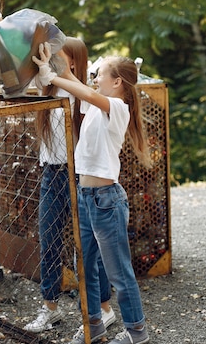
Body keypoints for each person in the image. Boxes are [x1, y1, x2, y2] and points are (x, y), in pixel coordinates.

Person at [33, 44, 152, 344]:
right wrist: (52, 65)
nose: (95, 78)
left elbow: (84, 92)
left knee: (118, 272)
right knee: (84, 267)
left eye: (100, 75)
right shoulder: (97, 107)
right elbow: (78, 85)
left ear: (117, 83)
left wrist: (53, 77)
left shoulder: (118, 108)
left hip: (106, 200)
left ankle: (137, 333)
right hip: (86, 197)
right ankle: (94, 324)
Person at [24, 37, 116, 334]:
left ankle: (102, 309)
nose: (50, 59)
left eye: (57, 56)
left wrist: (62, 75)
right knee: (48, 239)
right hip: (52, 173)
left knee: (86, 247)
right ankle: (50, 307)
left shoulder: (82, 92)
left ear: (73, 62)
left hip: (80, 176)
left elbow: (87, 93)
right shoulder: (45, 85)